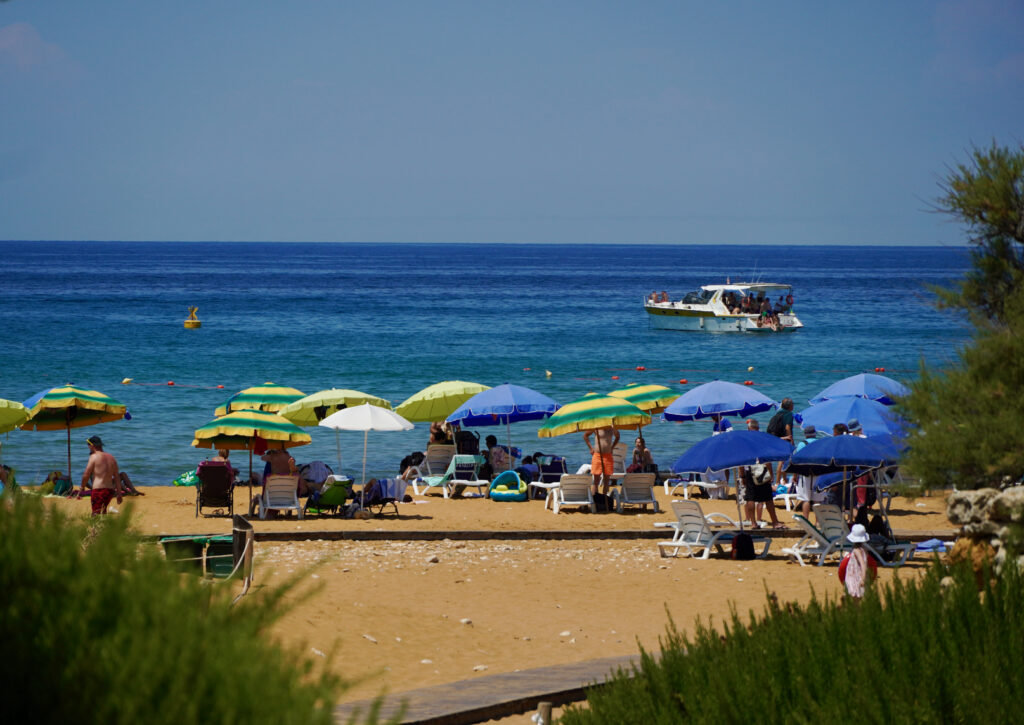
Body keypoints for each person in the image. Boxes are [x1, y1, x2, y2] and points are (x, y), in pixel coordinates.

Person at [81, 435, 122, 516]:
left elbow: (86, 474)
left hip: (98, 490)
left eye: (88, 444)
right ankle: (105, 528)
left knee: (95, 514)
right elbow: (117, 477)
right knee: (102, 513)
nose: (88, 447)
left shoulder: (94, 457)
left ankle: (96, 528)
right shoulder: (111, 458)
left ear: (92, 445)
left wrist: (82, 488)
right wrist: (119, 494)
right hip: (110, 491)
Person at [740, 459, 784, 529]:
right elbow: (767, 460)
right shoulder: (760, 447)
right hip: (762, 469)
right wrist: (771, 474)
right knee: (768, 497)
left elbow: (741, 463)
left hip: (749, 470)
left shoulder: (745, 448)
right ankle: (775, 522)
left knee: (750, 497)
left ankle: (753, 523)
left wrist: (742, 476)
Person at [838, 523, 877, 598]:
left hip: (855, 575)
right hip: (859, 574)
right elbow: (866, 562)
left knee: (853, 591)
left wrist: (863, 578)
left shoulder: (856, 550)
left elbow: (863, 564)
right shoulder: (864, 550)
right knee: (858, 594)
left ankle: (847, 597)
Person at [584, 426, 619, 496]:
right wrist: (591, 448)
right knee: (596, 480)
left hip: (608, 456)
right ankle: (594, 499)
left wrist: (612, 447)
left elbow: (617, 436)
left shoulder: (612, 427)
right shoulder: (596, 426)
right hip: (597, 455)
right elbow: (585, 436)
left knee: (607, 479)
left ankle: (605, 498)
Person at [793, 425, 819, 518]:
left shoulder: (802, 444)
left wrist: (795, 475)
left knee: (806, 499)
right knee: (818, 500)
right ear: (815, 433)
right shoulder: (820, 443)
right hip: (819, 473)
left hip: (805, 473)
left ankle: (806, 519)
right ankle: (818, 522)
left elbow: (796, 461)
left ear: (805, 434)